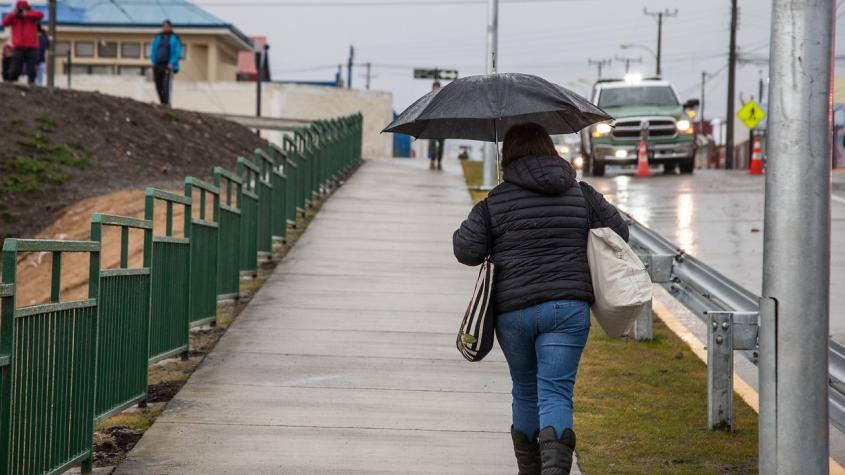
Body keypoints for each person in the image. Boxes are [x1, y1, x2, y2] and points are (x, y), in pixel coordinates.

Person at [452, 122, 628, 474]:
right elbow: (619, 232)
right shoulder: (581, 193)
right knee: (556, 392)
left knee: (525, 388)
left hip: (513, 313)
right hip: (568, 309)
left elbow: (466, 250)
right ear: (551, 150)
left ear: (507, 157)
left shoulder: (495, 200)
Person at [2, 1, 44, 85]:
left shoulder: (31, 15)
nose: (21, 11)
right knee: (15, 68)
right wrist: (12, 14)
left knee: (31, 69)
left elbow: (41, 14)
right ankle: (11, 83)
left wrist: (27, 14)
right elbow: (4, 23)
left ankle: (31, 84)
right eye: (20, 9)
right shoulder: (14, 17)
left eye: (23, 8)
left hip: (32, 46)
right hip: (18, 46)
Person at [150, 20, 182, 106]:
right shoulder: (158, 37)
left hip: (168, 66)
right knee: (158, 85)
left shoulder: (175, 38)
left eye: (167, 26)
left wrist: (172, 63)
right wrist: (153, 62)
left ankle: (167, 103)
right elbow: (153, 50)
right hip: (158, 65)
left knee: (166, 86)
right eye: (164, 26)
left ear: (170, 27)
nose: (165, 28)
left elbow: (177, 52)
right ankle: (162, 102)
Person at [428, 81, 446, 170]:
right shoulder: (428, 99)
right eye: (434, 88)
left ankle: (439, 162)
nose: (435, 89)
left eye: (437, 88)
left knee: (441, 146)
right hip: (431, 126)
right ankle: (432, 161)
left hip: (442, 126)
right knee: (432, 145)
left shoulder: (443, 99)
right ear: (432, 88)